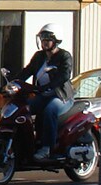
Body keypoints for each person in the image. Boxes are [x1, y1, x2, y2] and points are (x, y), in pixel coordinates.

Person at [19, 26, 73, 161]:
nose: (44, 42)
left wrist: (50, 86)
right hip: (42, 95)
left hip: (60, 96)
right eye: (42, 39)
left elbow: (64, 76)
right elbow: (27, 71)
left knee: (50, 110)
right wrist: (13, 82)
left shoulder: (64, 56)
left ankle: (47, 148)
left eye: (47, 39)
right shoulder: (39, 56)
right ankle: (24, 144)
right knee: (22, 109)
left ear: (56, 41)